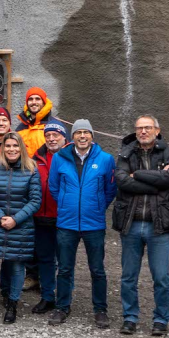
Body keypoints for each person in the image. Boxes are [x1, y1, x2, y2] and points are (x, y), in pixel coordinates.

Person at [113, 114, 169, 336]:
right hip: (131, 223)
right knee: (128, 276)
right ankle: (130, 318)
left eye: (148, 128)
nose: (143, 131)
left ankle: (160, 320)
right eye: (139, 128)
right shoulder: (125, 152)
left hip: (158, 225)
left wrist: (139, 175)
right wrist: (155, 183)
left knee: (161, 277)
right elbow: (122, 181)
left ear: (157, 131)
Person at [46, 119, 117, 327]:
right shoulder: (60, 158)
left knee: (97, 269)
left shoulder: (105, 159)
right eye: (79, 133)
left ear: (92, 136)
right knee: (65, 268)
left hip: (93, 224)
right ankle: (62, 307)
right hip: (66, 223)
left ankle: (100, 309)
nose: (82, 136)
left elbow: (110, 190)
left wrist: (96, 206)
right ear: (73, 137)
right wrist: (66, 205)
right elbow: (54, 187)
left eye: (86, 132)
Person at [0, 132, 41, 324]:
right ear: (2, 148)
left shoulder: (31, 169)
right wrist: (0, 217)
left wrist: (15, 219)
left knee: (16, 267)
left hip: (20, 227)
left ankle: (12, 304)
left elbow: (35, 200)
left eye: (15, 146)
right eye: (8, 146)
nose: (12, 149)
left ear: (20, 148)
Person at [28, 120, 67, 313]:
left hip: (63, 219)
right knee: (45, 259)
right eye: (48, 135)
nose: (51, 139)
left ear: (64, 137)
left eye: (55, 135)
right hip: (41, 217)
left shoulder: (71, 157)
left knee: (65, 261)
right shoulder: (36, 159)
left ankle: (63, 299)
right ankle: (47, 296)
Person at [15, 88, 63, 159]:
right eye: (30, 99)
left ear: (43, 102)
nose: (34, 102)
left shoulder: (55, 126)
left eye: (37, 99)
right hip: (25, 169)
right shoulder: (20, 128)